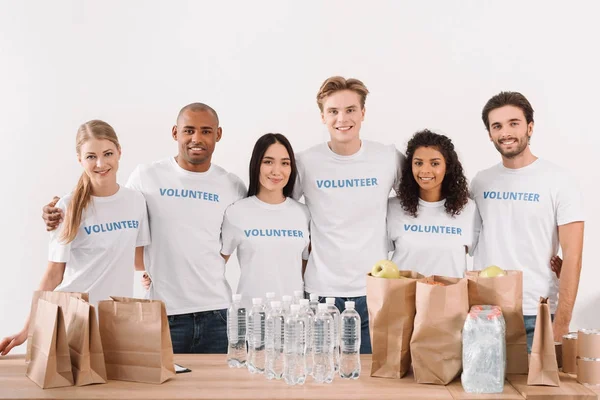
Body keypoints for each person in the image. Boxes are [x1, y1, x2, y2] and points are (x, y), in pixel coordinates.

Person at [42, 104, 247, 354]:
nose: (196, 138)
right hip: (163, 315)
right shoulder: (147, 176)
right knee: (163, 393)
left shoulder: (233, 186)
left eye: (206, 131)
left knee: (218, 393)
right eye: (189, 130)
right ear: (175, 133)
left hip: (218, 314)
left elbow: (226, 247)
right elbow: (111, 209)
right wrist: (60, 210)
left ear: (218, 134)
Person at [1, 120, 150, 355]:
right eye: (91, 156)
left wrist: (153, 274)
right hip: (74, 322)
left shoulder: (136, 201)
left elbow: (138, 260)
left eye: (108, 153)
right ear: (80, 159)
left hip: (116, 323)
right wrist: (25, 330)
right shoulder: (67, 207)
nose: (101, 163)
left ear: (119, 152)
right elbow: (53, 275)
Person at [293, 76, 404, 354]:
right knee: (321, 380)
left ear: (363, 113)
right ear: (322, 117)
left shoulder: (387, 157)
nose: (342, 118)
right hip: (320, 293)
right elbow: (281, 209)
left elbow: (418, 201)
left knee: (370, 384)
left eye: (351, 110)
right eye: (333, 111)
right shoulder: (305, 162)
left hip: (374, 291)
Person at [472, 91, 584, 350]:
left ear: (530, 127)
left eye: (514, 123)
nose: (505, 132)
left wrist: (562, 325)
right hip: (485, 313)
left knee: (536, 392)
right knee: (481, 392)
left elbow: (574, 258)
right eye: (496, 126)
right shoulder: (480, 182)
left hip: (538, 313)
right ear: (489, 134)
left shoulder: (560, 181)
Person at [220, 133, 310, 309]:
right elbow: (215, 267)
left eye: (285, 163)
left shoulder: (303, 213)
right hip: (251, 320)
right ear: (256, 165)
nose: (277, 171)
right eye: (268, 162)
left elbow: (305, 270)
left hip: (294, 321)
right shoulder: (236, 212)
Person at [388, 130, 476, 277]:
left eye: (435, 163)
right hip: (402, 297)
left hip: (450, 297)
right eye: (418, 163)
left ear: (447, 167)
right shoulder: (393, 208)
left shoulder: (469, 210)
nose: (425, 170)